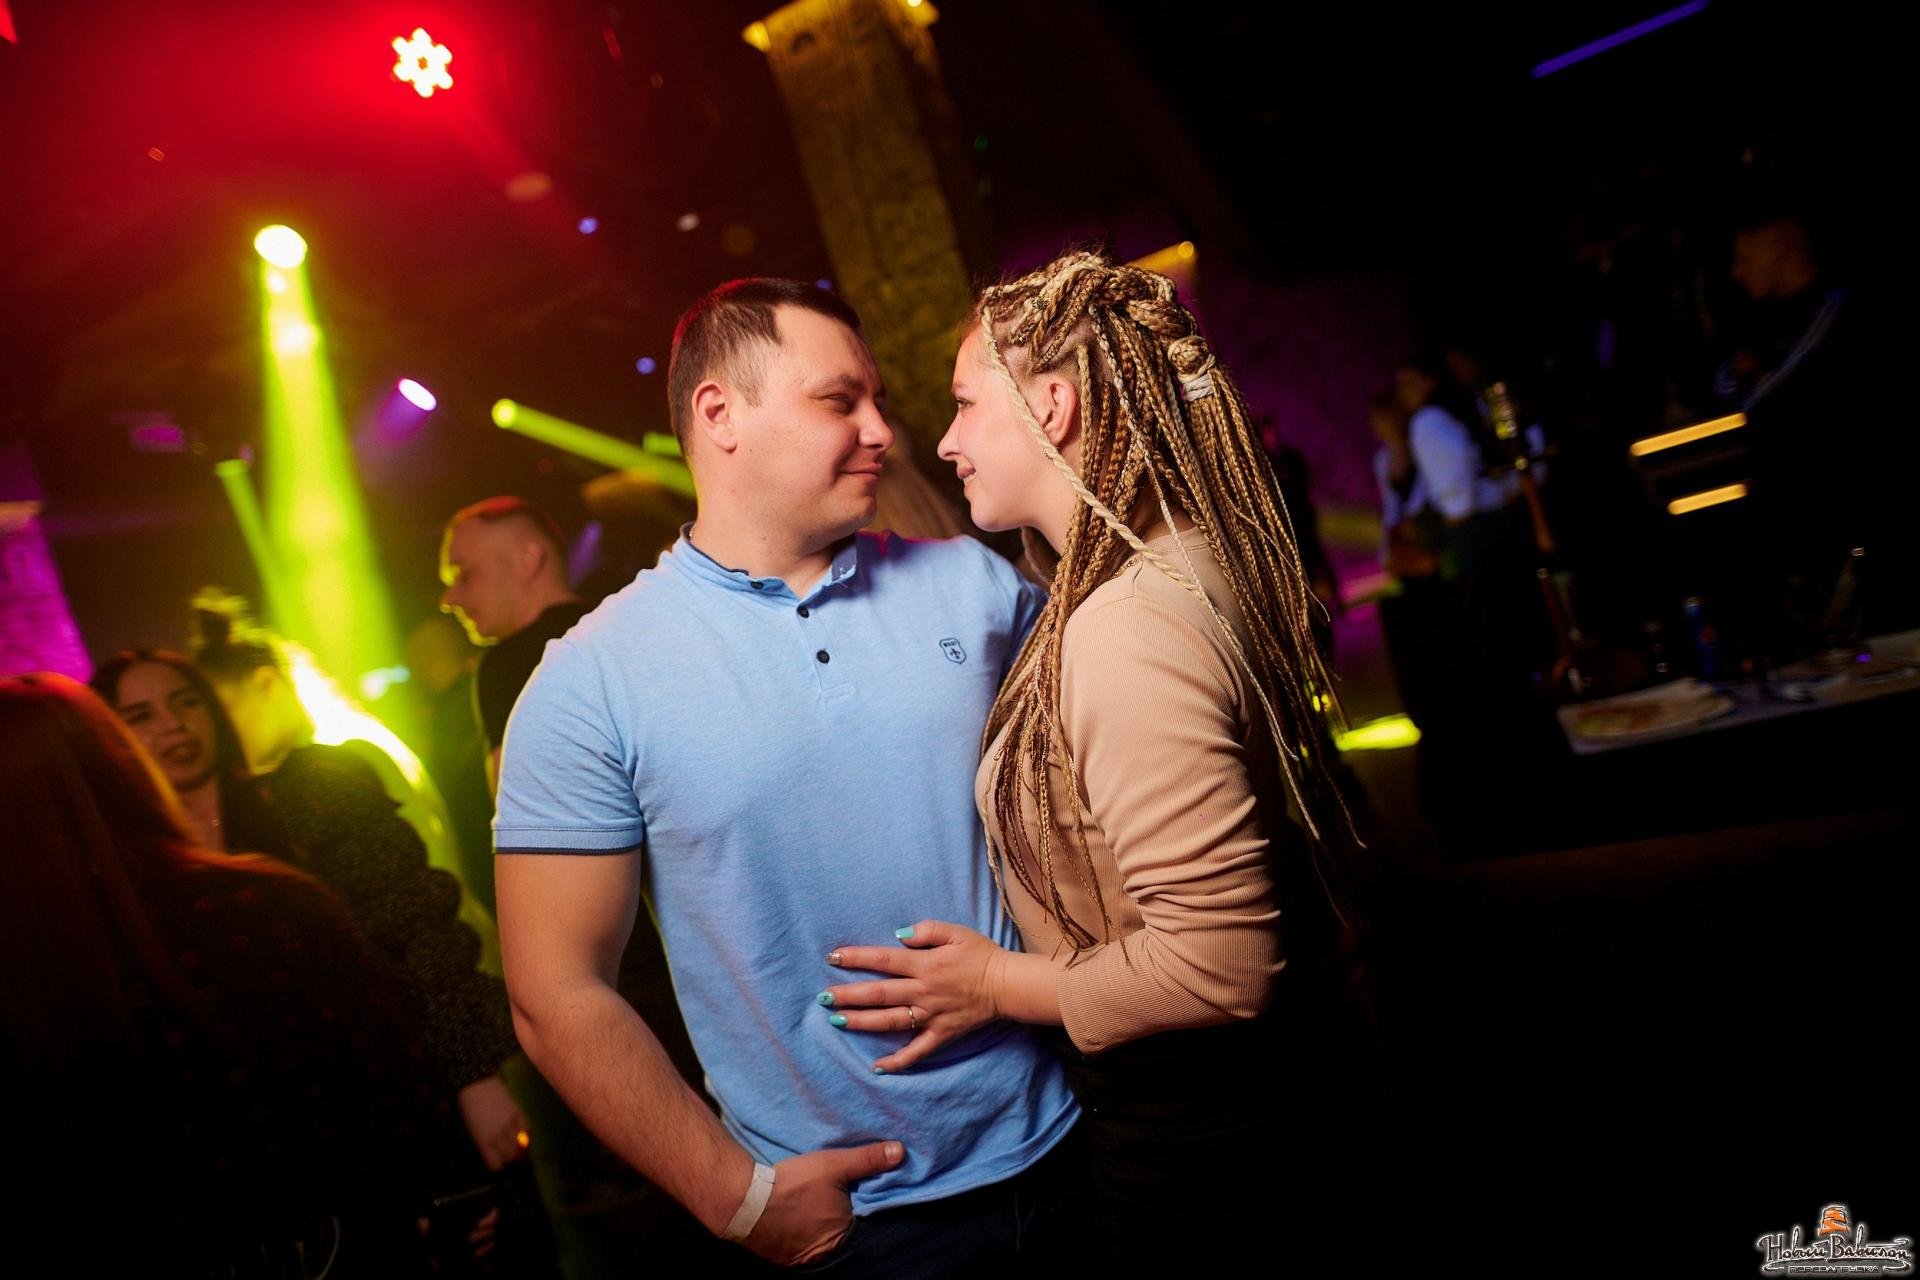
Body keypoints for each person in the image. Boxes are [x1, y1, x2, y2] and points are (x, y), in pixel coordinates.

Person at [494, 277, 1079, 1276]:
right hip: (861, 1230)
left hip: (1075, 1145)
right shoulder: (590, 681)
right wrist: (738, 1199)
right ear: (720, 413)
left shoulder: (977, 587)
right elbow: (556, 992)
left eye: (878, 401)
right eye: (839, 400)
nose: (882, 430)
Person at [819, 251, 1377, 1265]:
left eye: (964, 404)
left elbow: (1220, 965)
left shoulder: (1124, 624)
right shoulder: (1174, 558)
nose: (943, 442)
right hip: (1257, 1106)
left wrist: (997, 983)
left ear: (1054, 403)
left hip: (1208, 1138)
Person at [0, 673, 449, 1273]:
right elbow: (391, 1086)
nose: (173, 726)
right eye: (140, 717)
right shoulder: (258, 905)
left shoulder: (298, 807)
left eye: (186, 701)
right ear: (113, 759)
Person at [181, 605, 537, 1197]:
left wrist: (471, 1067)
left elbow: (417, 909)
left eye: (223, 708)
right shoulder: (317, 767)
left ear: (266, 684)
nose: (216, 732)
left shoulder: (335, 765)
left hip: (463, 997)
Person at [439, 497, 590, 788]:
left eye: (464, 575)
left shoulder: (505, 664)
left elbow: (519, 807)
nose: (448, 600)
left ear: (527, 560)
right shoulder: (626, 631)